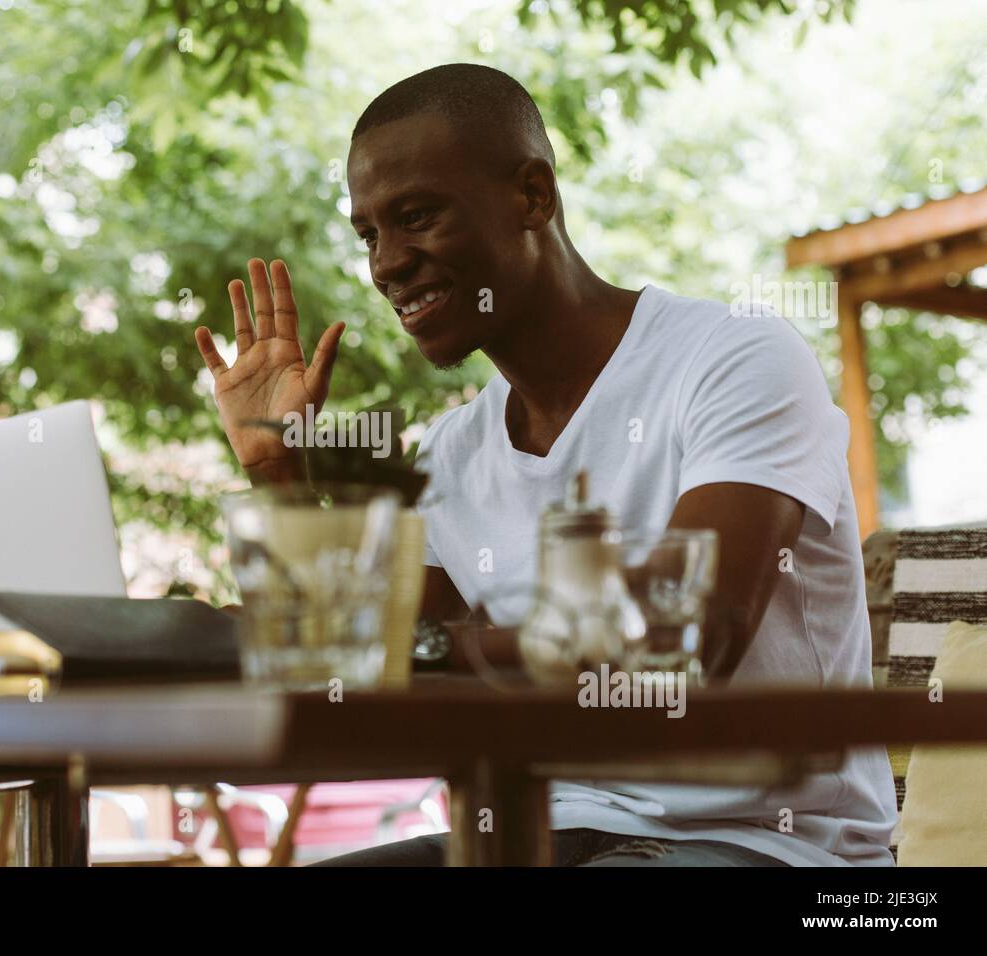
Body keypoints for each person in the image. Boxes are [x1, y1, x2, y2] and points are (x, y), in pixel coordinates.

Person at [193, 63, 897, 866]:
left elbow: (689, 642)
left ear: (533, 196)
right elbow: (356, 671)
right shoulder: (450, 452)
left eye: (415, 216)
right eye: (368, 235)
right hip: (541, 829)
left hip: (767, 846)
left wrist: (429, 648)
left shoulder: (735, 359)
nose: (386, 263)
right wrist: (277, 469)